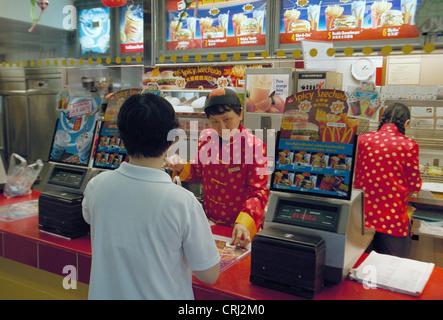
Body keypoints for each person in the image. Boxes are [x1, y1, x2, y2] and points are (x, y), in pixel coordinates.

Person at [82, 93, 220, 300]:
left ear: (121, 137)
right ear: (172, 140)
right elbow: (209, 274)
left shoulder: (96, 187)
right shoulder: (182, 202)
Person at [166, 88, 269, 247]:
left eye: (227, 119)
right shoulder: (206, 138)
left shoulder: (255, 146)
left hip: (240, 228)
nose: (222, 127)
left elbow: (259, 191)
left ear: (240, 114)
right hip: (210, 224)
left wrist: (244, 222)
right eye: (215, 121)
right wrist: (181, 166)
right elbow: (197, 172)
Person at [354, 103, 422, 258]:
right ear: (406, 123)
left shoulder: (362, 140)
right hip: (392, 219)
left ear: (382, 120)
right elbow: (413, 185)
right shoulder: (409, 145)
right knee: (392, 269)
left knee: (359, 266)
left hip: (361, 218)